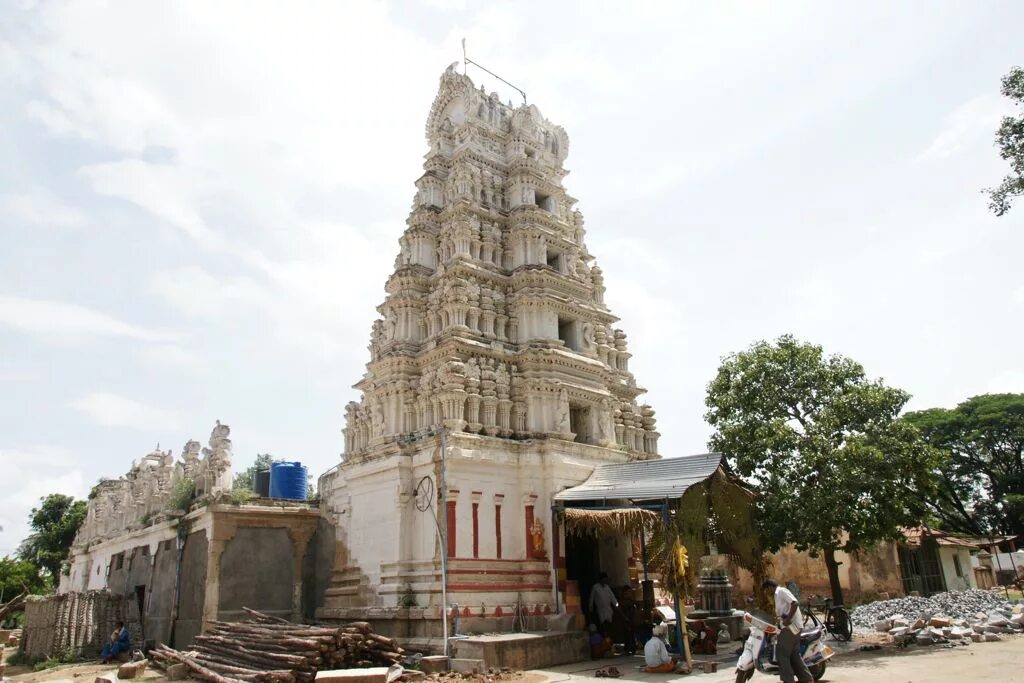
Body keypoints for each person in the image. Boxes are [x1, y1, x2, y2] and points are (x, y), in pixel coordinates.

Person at [764, 578, 813, 683]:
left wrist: (788, 619)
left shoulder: (781, 591)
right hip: (791, 628)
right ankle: (806, 678)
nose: (766, 593)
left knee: (782, 654)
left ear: (770, 587)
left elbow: (794, 603)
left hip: (791, 627)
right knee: (794, 655)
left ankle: (788, 680)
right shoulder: (777, 596)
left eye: (766, 590)